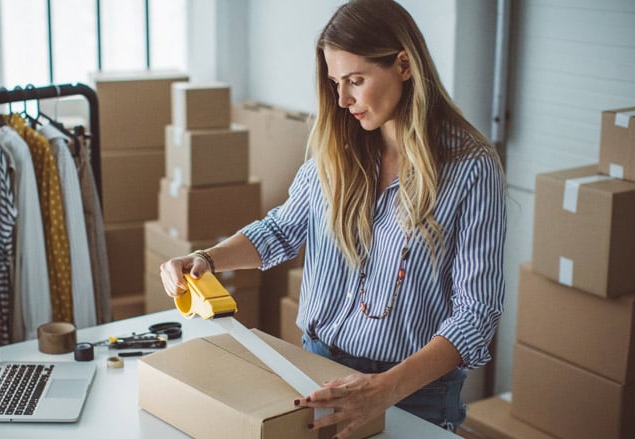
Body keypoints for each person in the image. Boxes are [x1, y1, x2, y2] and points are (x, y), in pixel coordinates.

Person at [159, 0, 506, 436]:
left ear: (403, 64)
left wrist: (383, 390)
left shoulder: (471, 168)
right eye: (335, 82)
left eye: (356, 80)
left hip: (413, 394)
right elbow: (279, 232)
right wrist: (206, 259)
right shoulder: (338, 152)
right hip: (313, 366)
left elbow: (476, 314)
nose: (342, 100)